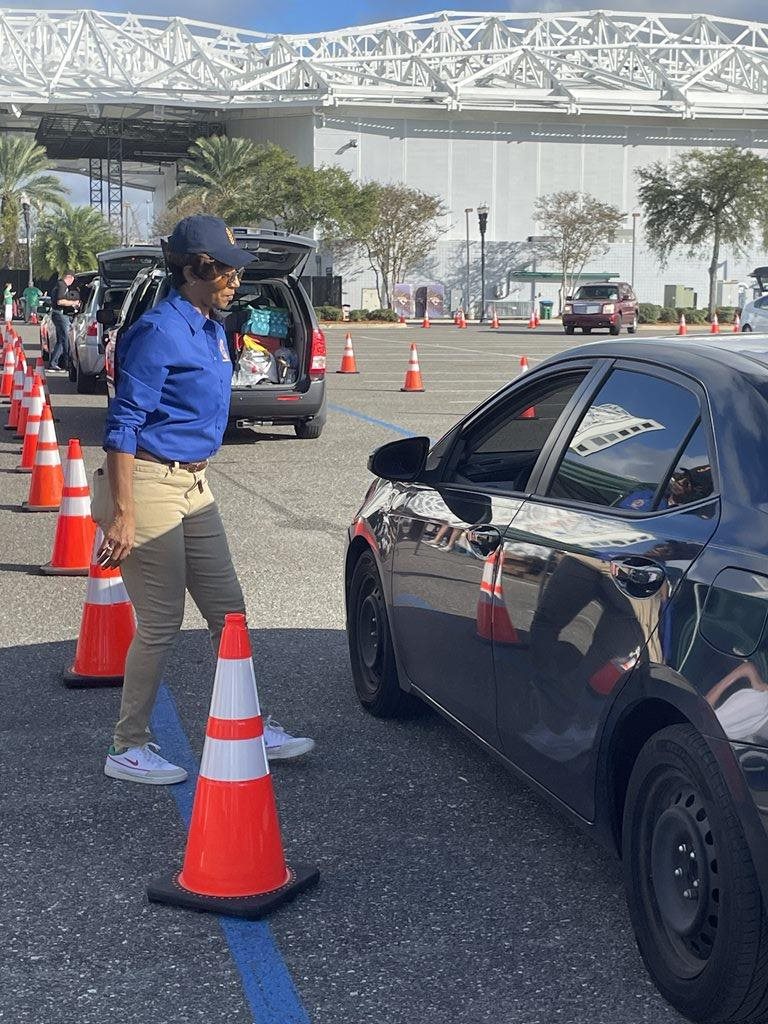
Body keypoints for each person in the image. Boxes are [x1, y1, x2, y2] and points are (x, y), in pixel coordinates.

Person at [91, 214, 314, 785]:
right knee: (162, 622)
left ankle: (248, 723)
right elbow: (123, 425)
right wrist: (123, 513)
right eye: (226, 269)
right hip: (146, 483)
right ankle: (128, 745)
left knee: (230, 613)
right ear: (196, 269)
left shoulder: (211, 327)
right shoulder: (159, 330)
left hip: (194, 484)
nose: (236, 279)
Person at [48, 270, 79, 370]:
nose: (72, 282)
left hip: (57, 314)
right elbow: (60, 301)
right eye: (72, 279)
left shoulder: (59, 285)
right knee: (65, 339)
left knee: (61, 340)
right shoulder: (62, 285)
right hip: (60, 314)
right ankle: (66, 363)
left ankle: (54, 362)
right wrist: (74, 303)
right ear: (69, 277)